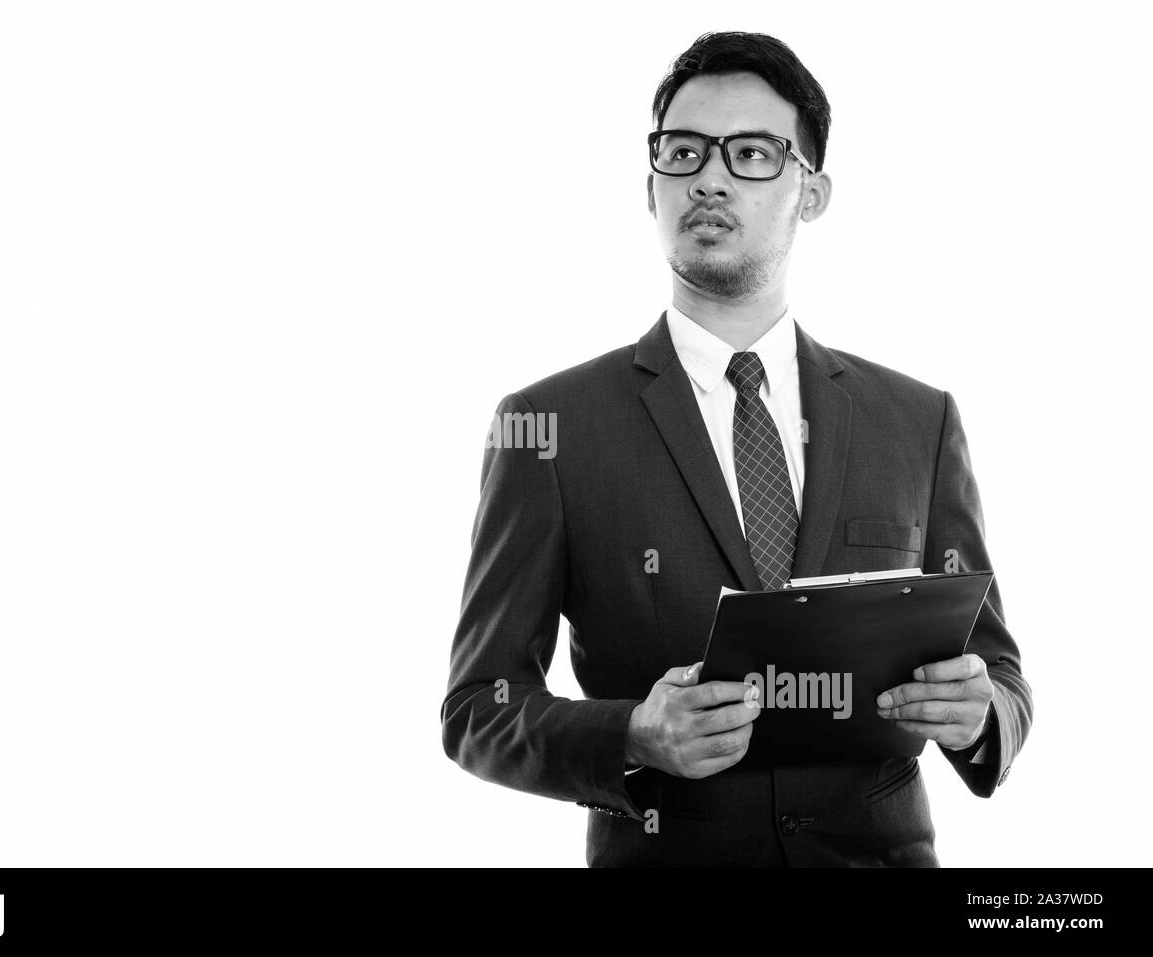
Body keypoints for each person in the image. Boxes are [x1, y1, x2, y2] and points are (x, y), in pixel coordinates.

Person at [440, 30, 1032, 867]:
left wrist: (981, 715)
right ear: (652, 187)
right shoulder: (547, 427)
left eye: (752, 153)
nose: (710, 178)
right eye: (683, 153)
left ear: (812, 192)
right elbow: (477, 708)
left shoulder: (917, 419)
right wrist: (634, 734)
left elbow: (1000, 674)